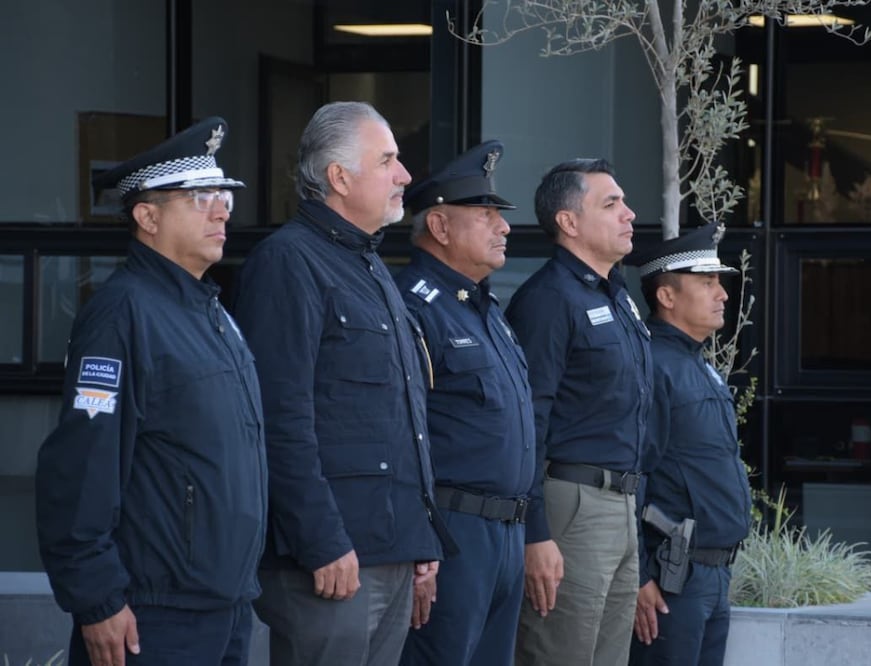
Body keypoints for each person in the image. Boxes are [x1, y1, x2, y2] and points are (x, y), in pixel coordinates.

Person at [36, 117, 266, 666]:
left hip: (225, 606)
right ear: (147, 216)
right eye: (201, 197)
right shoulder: (122, 315)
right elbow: (81, 467)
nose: (221, 211)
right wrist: (97, 598)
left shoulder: (211, 310)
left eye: (224, 197)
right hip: (155, 615)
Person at [231, 101, 452, 666]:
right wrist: (320, 539)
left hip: (389, 548)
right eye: (387, 160)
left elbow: (399, 417)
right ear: (339, 177)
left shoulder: (369, 264)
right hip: (333, 558)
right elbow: (279, 417)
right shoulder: (289, 262)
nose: (404, 175)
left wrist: (419, 536)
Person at [506, 158, 653, 665]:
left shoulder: (616, 294)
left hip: (621, 504)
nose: (629, 214)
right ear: (568, 222)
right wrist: (535, 532)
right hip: (573, 503)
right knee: (561, 653)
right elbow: (528, 421)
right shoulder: (548, 299)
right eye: (611, 204)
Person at [395, 140, 535, 666]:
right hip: (452, 533)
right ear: (439, 226)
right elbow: (401, 435)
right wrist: (420, 541)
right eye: (485, 214)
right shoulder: (414, 306)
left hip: (506, 532)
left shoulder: (485, 308)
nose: (503, 227)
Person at [623, 222, 752, 666]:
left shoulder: (696, 363)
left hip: (711, 573)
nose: (723, 295)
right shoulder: (652, 365)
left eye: (719, 282)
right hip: (671, 577)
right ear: (666, 296)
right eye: (707, 282)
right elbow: (633, 473)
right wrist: (639, 575)